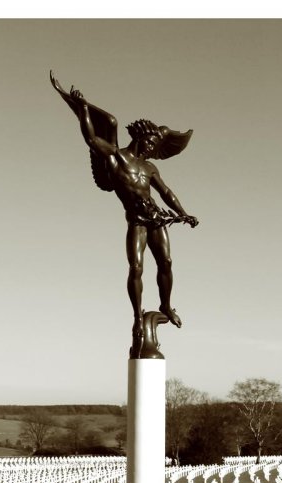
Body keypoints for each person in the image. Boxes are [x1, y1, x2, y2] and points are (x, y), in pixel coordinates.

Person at [62, 81, 198, 357]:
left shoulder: (149, 167)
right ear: (139, 137)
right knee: (136, 268)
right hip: (136, 220)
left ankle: (166, 306)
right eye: (149, 142)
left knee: (167, 263)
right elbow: (91, 138)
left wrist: (183, 213)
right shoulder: (115, 158)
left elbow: (166, 192)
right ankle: (138, 317)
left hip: (157, 219)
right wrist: (83, 108)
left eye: (154, 144)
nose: (150, 148)